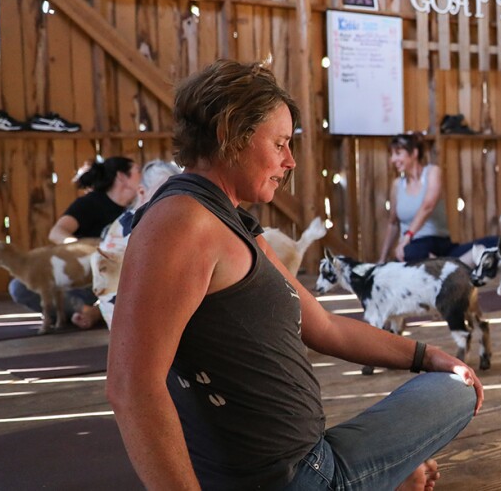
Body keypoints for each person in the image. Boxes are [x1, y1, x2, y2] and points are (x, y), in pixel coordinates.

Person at [107, 60, 481, 490]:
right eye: (280, 143)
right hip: (297, 477)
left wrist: (427, 356)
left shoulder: (227, 220)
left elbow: (325, 327)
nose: (290, 160)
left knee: (452, 378)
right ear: (230, 134)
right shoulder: (182, 222)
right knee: (455, 392)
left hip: (303, 458)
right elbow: (131, 386)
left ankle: (387, 472)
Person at [8, 156, 139, 329]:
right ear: (122, 177)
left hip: (118, 279)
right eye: (138, 171)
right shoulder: (91, 203)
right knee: (19, 287)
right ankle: (84, 310)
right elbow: (56, 233)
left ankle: (95, 313)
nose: (143, 176)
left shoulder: (137, 209)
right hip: (83, 278)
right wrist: (85, 249)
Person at [379, 133, 497, 265]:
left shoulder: (432, 172)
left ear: (414, 153)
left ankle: (444, 264)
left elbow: (428, 206)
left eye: (398, 153)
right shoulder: (397, 185)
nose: (393, 159)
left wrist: (407, 236)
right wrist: (382, 259)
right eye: (391, 155)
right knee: (409, 252)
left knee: (495, 242)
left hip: (440, 244)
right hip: (415, 248)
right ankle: (450, 266)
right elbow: (393, 223)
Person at [96, 160, 183, 327]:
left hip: (121, 321)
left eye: (176, 195)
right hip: (136, 322)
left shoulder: (125, 221)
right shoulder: (142, 226)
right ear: (142, 192)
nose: (171, 201)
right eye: (163, 194)